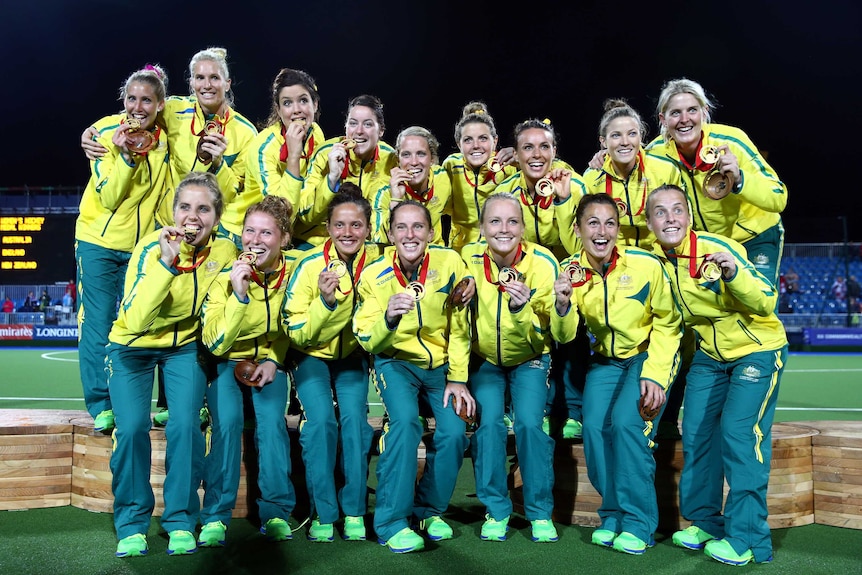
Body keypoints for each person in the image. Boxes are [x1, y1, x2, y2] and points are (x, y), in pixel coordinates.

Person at [645, 184, 788, 566]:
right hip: (709, 356)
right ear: (649, 222)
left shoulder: (718, 248)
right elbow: (670, 324)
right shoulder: (655, 261)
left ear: (689, 216)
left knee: (739, 435)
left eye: (678, 210)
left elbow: (767, 299)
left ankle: (748, 539)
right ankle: (707, 522)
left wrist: (734, 272)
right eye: (660, 212)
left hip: (757, 348)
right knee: (697, 434)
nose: (670, 218)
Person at [106, 172, 237, 558]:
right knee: (131, 428)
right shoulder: (150, 248)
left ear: (216, 216)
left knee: (185, 426)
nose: (192, 217)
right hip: (131, 345)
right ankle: (131, 523)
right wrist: (167, 262)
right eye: (184, 207)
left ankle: (179, 518)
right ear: (173, 211)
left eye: (203, 208)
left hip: (183, 348)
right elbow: (136, 317)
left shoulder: (225, 252)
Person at [552, 193, 681, 555]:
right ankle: (613, 514)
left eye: (610, 223)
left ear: (618, 229)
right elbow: (563, 336)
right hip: (605, 362)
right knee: (594, 429)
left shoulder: (645, 264)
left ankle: (639, 524)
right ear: (578, 229)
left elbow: (669, 325)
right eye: (593, 222)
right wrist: (562, 304)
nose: (602, 231)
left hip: (647, 354)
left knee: (627, 424)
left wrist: (655, 374)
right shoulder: (571, 272)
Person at [352, 201, 475, 554]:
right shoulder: (374, 276)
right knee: (405, 423)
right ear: (390, 234)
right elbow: (366, 338)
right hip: (395, 363)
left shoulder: (450, 263)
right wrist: (388, 319)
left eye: (418, 227)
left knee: (454, 430)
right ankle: (391, 522)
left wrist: (458, 378)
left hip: (440, 368)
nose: (410, 234)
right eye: (401, 228)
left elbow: (460, 327)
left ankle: (428, 511)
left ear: (431, 233)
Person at [75, 64, 171, 432]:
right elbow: (111, 194)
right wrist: (127, 159)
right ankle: (102, 405)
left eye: (147, 99)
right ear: (123, 101)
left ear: (160, 105)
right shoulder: (102, 132)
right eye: (132, 98)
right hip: (98, 241)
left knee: (147, 323)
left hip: (141, 247)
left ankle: (157, 404)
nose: (138, 106)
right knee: (97, 325)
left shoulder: (164, 141)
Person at [283, 184, 381, 542]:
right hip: (311, 356)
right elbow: (297, 332)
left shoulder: (380, 265)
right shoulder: (309, 265)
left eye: (356, 225)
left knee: (355, 422)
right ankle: (324, 512)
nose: (347, 233)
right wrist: (325, 303)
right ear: (328, 227)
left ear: (368, 229)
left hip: (352, 357)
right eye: (339, 225)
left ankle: (354, 510)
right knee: (322, 422)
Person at [461, 192, 560, 543]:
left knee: (531, 424)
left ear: (523, 226)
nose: (504, 229)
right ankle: (496, 509)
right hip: (486, 360)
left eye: (512, 221)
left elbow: (551, 330)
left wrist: (522, 310)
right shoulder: (467, 260)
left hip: (530, 357)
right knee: (488, 425)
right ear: (482, 227)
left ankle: (539, 512)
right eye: (495, 221)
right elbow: (458, 323)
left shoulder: (543, 262)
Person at [82, 47, 259, 243]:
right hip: (164, 226)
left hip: (209, 234)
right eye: (200, 78)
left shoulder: (246, 133)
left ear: (227, 84)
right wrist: (93, 130)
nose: (207, 85)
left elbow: (233, 195)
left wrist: (218, 165)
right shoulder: (174, 109)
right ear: (191, 83)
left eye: (214, 78)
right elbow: (137, 113)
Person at [198, 195, 295, 547]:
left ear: (284, 239)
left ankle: (275, 513)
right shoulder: (225, 276)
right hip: (226, 361)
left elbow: (291, 323)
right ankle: (214, 516)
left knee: (272, 426)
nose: (255, 240)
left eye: (266, 233)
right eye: (249, 231)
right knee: (227, 425)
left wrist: (274, 359)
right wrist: (238, 296)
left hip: (270, 364)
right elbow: (216, 343)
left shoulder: (295, 271)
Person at [647, 78, 787, 285]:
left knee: (758, 311)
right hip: (706, 245)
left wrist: (740, 179)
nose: (685, 119)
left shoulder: (731, 140)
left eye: (692, 110)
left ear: (704, 112)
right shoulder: (654, 154)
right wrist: (603, 159)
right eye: (675, 113)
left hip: (755, 238)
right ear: (663, 119)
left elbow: (778, 197)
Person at [235, 68, 325, 249]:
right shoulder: (262, 148)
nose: (297, 110)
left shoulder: (316, 133)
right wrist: (293, 156)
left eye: (303, 100)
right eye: (287, 103)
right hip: (245, 233)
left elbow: (308, 192)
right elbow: (282, 215)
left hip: (288, 233)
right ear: (278, 109)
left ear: (315, 105)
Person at [296, 94, 398, 246]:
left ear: (381, 130)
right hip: (317, 242)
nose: (359, 131)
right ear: (345, 127)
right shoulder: (325, 153)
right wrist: (331, 178)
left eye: (368, 124)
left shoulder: (391, 160)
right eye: (353, 123)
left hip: (366, 245)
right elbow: (306, 215)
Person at [583, 99, 680, 248]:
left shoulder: (665, 169)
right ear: (603, 141)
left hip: (661, 255)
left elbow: (685, 219)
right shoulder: (591, 178)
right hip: (615, 260)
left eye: (632, 134)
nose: (625, 142)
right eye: (616, 135)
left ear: (640, 136)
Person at [493, 118, 586, 259]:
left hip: (570, 272)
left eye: (544, 146)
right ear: (516, 155)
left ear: (553, 152)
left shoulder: (576, 187)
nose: (537, 154)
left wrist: (564, 200)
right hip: (524, 273)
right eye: (528, 147)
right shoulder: (504, 193)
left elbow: (580, 250)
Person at [442, 102, 517, 253]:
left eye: (483, 138)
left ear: (494, 141)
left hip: (500, 249)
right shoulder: (450, 166)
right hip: (460, 250)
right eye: (468, 140)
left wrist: (523, 156)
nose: (476, 145)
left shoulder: (510, 166)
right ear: (459, 144)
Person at [370, 126, 452, 245]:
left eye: (421, 154)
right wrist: (396, 200)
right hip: (400, 257)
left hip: (435, 255)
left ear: (432, 159)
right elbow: (380, 242)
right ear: (398, 160)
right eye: (406, 155)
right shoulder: (384, 193)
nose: (413, 162)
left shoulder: (443, 178)